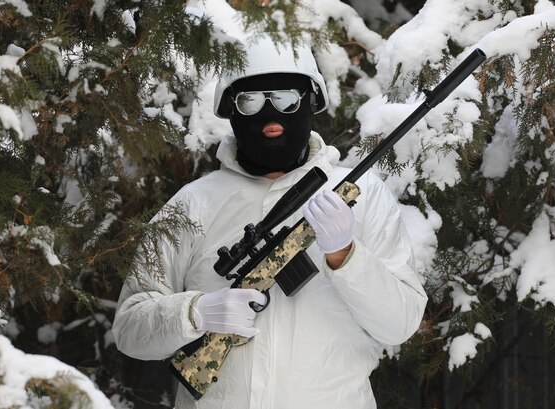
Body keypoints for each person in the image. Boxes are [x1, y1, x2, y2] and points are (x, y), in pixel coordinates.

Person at [112, 35, 428, 409]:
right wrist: (194, 312)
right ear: (231, 110)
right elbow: (130, 328)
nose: (270, 114)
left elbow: (400, 324)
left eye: (285, 99)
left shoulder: (364, 194)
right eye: (250, 101)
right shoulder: (194, 203)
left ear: (309, 103)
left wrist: (346, 255)